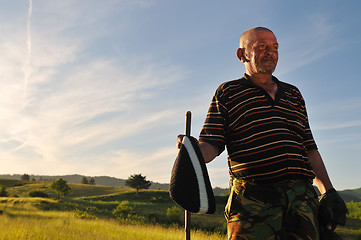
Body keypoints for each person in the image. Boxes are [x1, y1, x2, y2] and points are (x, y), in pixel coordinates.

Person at [177, 27, 347, 240]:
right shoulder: (228, 92)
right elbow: (211, 144)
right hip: (253, 203)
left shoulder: (293, 94)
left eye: (274, 47)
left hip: (301, 200)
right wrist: (191, 150)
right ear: (242, 55)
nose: (270, 52)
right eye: (261, 46)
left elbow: (310, 149)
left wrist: (328, 192)